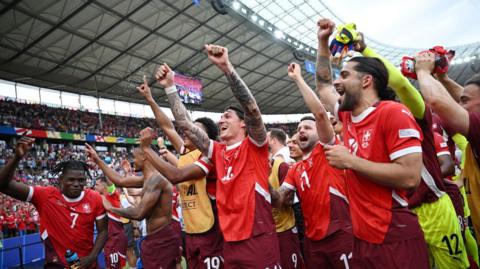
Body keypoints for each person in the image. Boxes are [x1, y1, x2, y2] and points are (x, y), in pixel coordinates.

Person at [315, 19, 429, 268]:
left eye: (344, 75)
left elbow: (410, 176)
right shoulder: (347, 116)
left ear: (366, 81)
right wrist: (323, 41)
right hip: (362, 238)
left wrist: (351, 161)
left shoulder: (393, 113)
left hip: (394, 238)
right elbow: (323, 84)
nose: (337, 82)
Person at [352, 29, 469, 268]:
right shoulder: (372, 128)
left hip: (434, 209)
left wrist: (364, 50)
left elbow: (402, 85)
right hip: (401, 216)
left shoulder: (415, 114)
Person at [158, 44, 281, 267]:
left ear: (243, 123)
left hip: (258, 239)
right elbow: (185, 125)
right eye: (220, 117)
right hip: (229, 241)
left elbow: (252, 108)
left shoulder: (255, 145)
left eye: (227, 116)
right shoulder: (217, 151)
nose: (221, 120)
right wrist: (170, 88)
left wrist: (227, 68)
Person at [271, 62, 352, 268]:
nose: (301, 132)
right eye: (298, 129)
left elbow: (320, 114)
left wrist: (298, 78)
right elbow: (280, 200)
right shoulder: (295, 169)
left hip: (342, 235)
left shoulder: (327, 149)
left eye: (307, 127)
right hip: (312, 241)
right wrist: (261, 178)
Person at [138, 73, 223, 269]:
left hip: (210, 230)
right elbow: (167, 127)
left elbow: (175, 175)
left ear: (205, 138)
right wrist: (150, 98)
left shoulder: (208, 157)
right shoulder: (185, 152)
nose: (187, 131)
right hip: (190, 230)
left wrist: (146, 150)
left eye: (194, 129)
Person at [0, 136, 108, 268]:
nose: (76, 184)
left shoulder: (95, 198)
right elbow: (3, 185)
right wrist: (16, 157)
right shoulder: (45, 196)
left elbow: (103, 231)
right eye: (71, 179)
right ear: (61, 179)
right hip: (56, 263)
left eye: (81, 180)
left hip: (88, 264)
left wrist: (92, 257)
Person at [85, 141, 180, 269]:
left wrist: (111, 208)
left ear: (144, 156)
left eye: (134, 157)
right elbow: (120, 180)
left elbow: (139, 213)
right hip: (152, 238)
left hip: (161, 239)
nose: (132, 160)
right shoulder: (147, 179)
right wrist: (97, 159)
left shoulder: (157, 180)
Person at [267, 127, 305, 269]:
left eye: (295, 142)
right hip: (266, 231)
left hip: (286, 226)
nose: (291, 145)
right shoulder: (291, 166)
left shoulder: (281, 165)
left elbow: (287, 199)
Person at [94, 177, 128, 269]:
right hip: (108, 238)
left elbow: (111, 185)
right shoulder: (99, 199)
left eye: (97, 185)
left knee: (115, 266)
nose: (94, 187)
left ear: (104, 186)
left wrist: (106, 172)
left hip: (116, 238)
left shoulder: (112, 195)